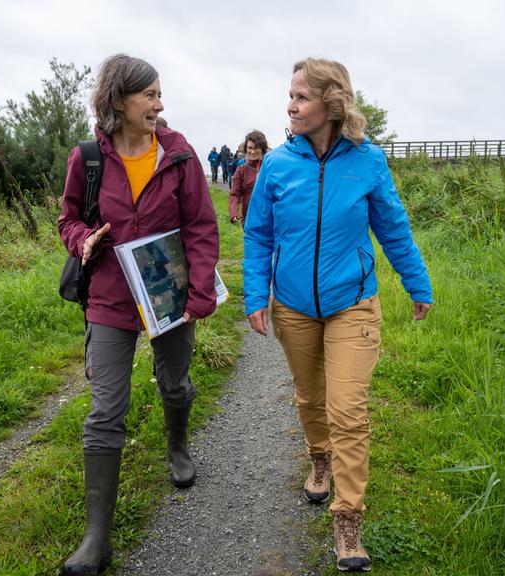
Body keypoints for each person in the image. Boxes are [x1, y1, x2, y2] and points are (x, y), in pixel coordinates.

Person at [242, 58, 432, 572]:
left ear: (332, 101)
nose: (291, 105)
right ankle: (318, 457)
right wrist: (255, 295)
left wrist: (417, 282)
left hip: (354, 303)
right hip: (295, 308)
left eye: (301, 96)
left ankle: (348, 519)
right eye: (290, 96)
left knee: (349, 410)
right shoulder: (279, 164)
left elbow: (393, 227)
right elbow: (258, 234)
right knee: (310, 396)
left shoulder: (368, 161)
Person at [58, 53, 219, 576]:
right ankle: (96, 540)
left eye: (158, 94)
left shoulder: (180, 155)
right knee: (106, 411)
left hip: (169, 293)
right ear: (117, 101)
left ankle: (178, 444)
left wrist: (198, 292)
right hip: (108, 297)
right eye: (148, 94)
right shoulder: (87, 160)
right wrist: (83, 238)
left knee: (173, 384)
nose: (159, 103)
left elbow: (200, 226)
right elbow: (66, 220)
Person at [229, 130, 268, 225]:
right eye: (250, 148)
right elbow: (234, 194)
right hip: (248, 218)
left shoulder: (269, 167)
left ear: (263, 149)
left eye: (257, 148)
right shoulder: (241, 170)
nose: (253, 151)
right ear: (245, 148)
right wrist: (234, 212)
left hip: (269, 218)